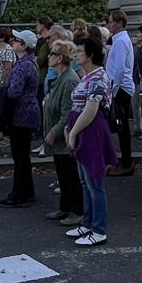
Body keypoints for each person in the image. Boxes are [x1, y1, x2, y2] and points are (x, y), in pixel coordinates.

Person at [65, 36, 118, 246]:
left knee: (95, 183)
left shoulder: (97, 78)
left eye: (79, 51)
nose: (76, 54)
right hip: (83, 130)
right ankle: (88, 223)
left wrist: (73, 132)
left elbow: (90, 109)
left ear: (90, 55)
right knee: (85, 182)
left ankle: (99, 229)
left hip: (91, 131)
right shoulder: (89, 77)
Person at [43, 39, 84, 226]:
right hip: (58, 137)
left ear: (60, 58)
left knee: (70, 176)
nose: (49, 57)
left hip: (64, 137)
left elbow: (68, 113)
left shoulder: (69, 81)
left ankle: (77, 210)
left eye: (52, 53)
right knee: (62, 175)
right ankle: (65, 207)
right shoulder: (61, 78)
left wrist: (53, 132)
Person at [2, 30, 41, 208]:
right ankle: (28, 191)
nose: (12, 42)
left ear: (24, 45)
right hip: (29, 112)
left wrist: (0, 92)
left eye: (16, 40)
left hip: (20, 114)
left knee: (19, 156)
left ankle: (19, 194)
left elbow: (13, 91)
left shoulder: (22, 66)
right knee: (23, 155)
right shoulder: (30, 63)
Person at [103, 10, 137, 176]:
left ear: (119, 23)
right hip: (120, 87)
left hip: (120, 88)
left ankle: (127, 163)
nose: (108, 25)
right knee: (121, 127)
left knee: (122, 127)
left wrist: (112, 90)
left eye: (111, 22)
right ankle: (124, 161)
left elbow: (119, 69)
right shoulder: (119, 40)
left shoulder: (120, 41)